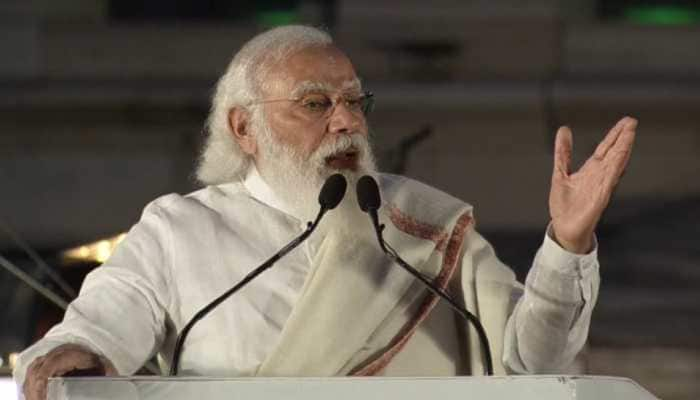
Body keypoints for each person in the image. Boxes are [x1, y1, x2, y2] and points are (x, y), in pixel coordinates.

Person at [15, 25, 637, 400]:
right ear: (244, 128)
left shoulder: (422, 226)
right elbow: (99, 328)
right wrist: (75, 353)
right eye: (315, 104)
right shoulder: (182, 229)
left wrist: (566, 243)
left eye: (353, 101)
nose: (346, 121)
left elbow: (537, 369)